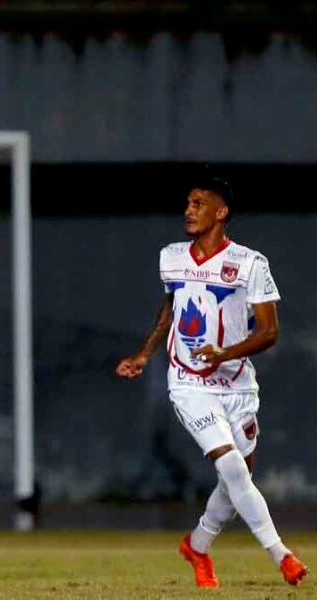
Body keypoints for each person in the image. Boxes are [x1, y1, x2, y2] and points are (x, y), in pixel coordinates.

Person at [115, 176, 308, 588]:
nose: (189, 209)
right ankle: (282, 556)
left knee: (235, 481)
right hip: (188, 383)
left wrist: (225, 354)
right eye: (187, 202)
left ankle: (198, 545)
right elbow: (168, 312)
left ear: (221, 212)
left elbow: (270, 332)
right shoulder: (171, 257)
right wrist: (144, 355)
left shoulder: (251, 263)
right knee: (232, 467)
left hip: (237, 386)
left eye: (199, 203)